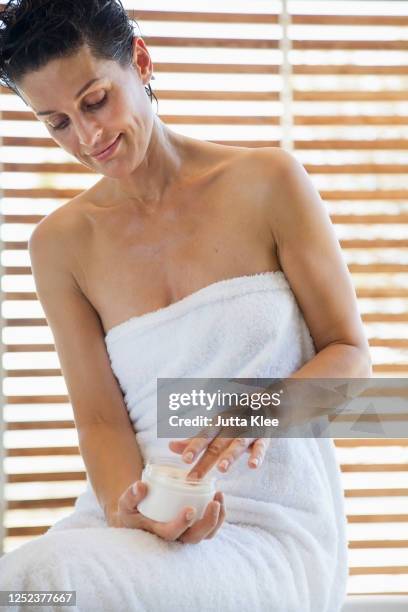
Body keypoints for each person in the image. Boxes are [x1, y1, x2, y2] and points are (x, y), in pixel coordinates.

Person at [0, 1, 372, 611]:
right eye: (57, 123)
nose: (88, 137)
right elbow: (99, 420)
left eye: (95, 101)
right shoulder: (61, 245)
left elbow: (352, 359)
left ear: (139, 62)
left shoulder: (268, 183)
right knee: (32, 588)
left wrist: (259, 409)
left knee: (44, 581)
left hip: (268, 532)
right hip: (136, 526)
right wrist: (140, 513)